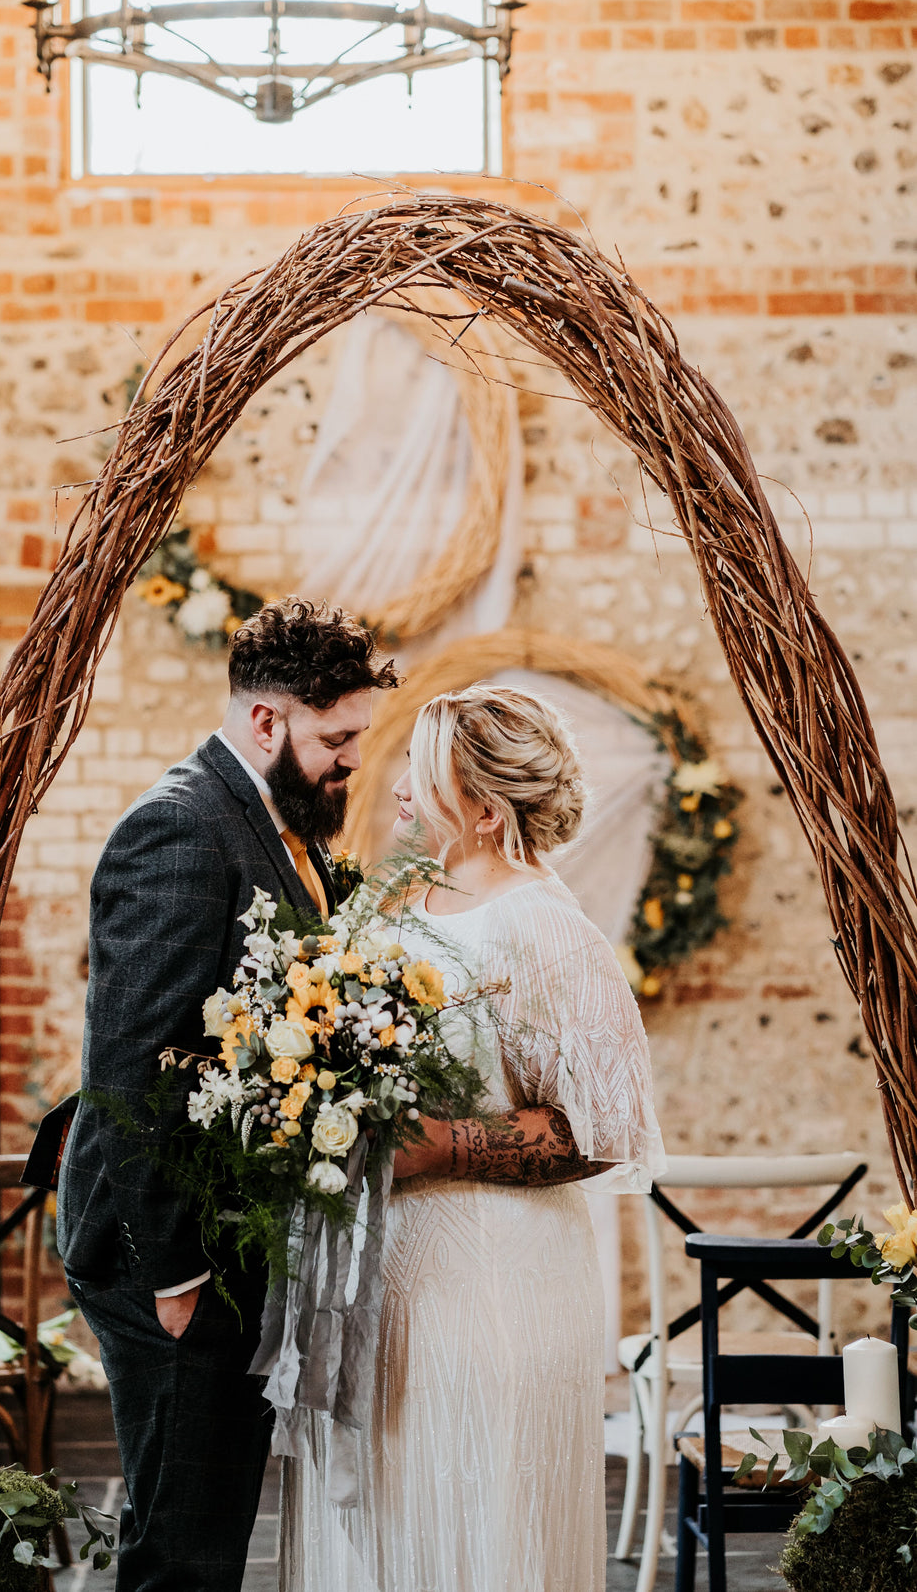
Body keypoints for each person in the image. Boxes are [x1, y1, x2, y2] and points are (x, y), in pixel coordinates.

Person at [280, 683, 665, 1592]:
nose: (400, 791)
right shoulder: (404, 913)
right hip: (384, 1288)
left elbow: (601, 1131)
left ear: (487, 811)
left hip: (490, 1292)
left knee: (476, 1526)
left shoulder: (548, 931)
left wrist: (435, 1147)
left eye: (422, 772)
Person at [56, 597, 399, 1592]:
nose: (350, 760)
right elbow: (130, 1070)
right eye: (335, 738)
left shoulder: (270, 821)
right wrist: (173, 1279)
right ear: (264, 721)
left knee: (204, 1532)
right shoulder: (178, 829)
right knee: (184, 1552)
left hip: (226, 1241)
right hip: (162, 1254)